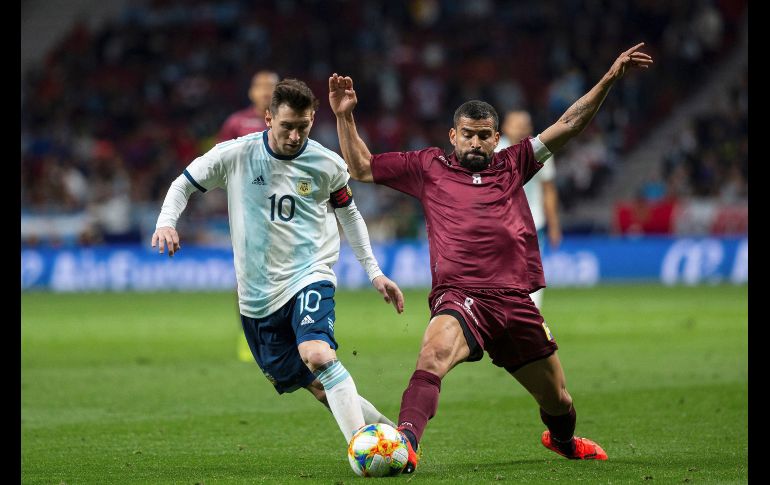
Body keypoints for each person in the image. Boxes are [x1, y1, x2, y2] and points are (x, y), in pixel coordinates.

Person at [329, 43, 653, 473]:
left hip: (515, 300)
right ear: (453, 135)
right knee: (433, 356)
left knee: (558, 399)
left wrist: (609, 78)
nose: (476, 142)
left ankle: (562, 440)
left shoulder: (514, 163)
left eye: (485, 135)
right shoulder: (428, 166)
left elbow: (569, 124)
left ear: (496, 138)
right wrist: (344, 115)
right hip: (461, 295)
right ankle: (405, 443)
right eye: (468, 134)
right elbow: (362, 166)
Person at [153, 78, 405, 444]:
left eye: (303, 127)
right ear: (268, 118)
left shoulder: (326, 163)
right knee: (319, 386)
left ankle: (362, 453)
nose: (295, 136)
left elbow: (349, 214)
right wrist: (166, 223)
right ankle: (393, 439)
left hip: (309, 275)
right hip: (256, 298)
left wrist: (375, 272)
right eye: (287, 126)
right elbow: (184, 183)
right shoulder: (236, 154)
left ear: (313, 119)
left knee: (318, 354)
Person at [497, 110, 562, 309]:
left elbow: (548, 190)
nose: (521, 129)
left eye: (525, 125)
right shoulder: (493, 152)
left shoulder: (541, 150)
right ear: (505, 128)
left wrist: (554, 225)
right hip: (498, 226)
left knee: (531, 278)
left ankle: (530, 322)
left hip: (532, 224)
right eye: (516, 124)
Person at [217, 70, 280, 142]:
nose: (265, 90)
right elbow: (222, 152)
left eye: (270, 86)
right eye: (259, 86)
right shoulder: (236, 122)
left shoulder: (291, 121)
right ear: (251, 93)